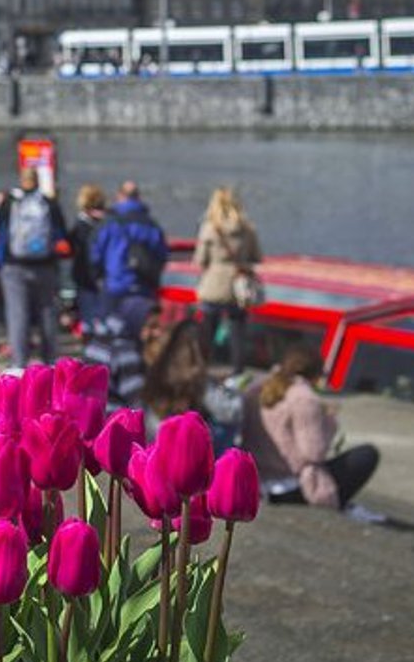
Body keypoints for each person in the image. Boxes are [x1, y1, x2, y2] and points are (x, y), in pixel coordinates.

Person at [242, 346, 383, 519]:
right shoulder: (305, 398)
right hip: (288, 484)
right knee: (367, 454)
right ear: (315, 375)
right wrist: (329, 422)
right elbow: (313, 453)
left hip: (256, 476)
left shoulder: (258, 386)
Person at [0, 167, 67, 367]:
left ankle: (19, 364)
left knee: (17, 315)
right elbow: (60, 235)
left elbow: (1, 236)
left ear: (21, 179)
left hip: (14, 266)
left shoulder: (10, 202)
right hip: (45, 266)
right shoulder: (49, 203)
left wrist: (0, 265)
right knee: (48, 313)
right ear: (37, 181)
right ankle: (50, 362)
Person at [140, 316, 243, 447]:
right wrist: (243, 395)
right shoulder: (197, 379)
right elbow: (231, 412)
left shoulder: (156, 370)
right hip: (183, 448)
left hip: (153, 440)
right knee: (225, 427)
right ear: (200, 350)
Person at [194, 187, 263, 375]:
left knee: (207, 330)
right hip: (238, 286)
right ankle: (237, 371)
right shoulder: (248, 229)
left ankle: (203, 369)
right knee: (238, 331)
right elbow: (257, 257)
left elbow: (200, 260)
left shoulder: (209, 229)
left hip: (214, 284)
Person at [90, 179, 168, 340]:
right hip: (143, 287)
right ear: (138, 197)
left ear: (119, 196)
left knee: (110, 334)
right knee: (142, 335)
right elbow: (162, 255)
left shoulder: (108, 223)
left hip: (115, 285)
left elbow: (95, 254)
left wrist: (98, 276)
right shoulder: (151, 225)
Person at [64, 183, 108, 323]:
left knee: (88, 319)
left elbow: (69, 248)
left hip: (84, 278)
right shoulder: (107, 223)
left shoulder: (80, 226)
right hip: (104, 278)